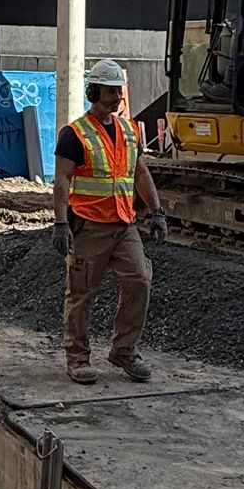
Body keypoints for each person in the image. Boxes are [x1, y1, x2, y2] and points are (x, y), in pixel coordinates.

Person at [51, 57, 167, 387]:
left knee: (140, 279)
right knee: (81, 293)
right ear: (95, 90)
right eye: (112, 90)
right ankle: (78, 357)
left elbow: (140, 172)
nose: (118, 96)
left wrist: (156, 211)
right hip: (88, 226)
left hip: (123, 224)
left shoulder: (130, 131)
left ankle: (124, 350)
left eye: (119, 90)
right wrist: (61, 223)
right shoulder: (75, 134)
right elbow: (62, 180)